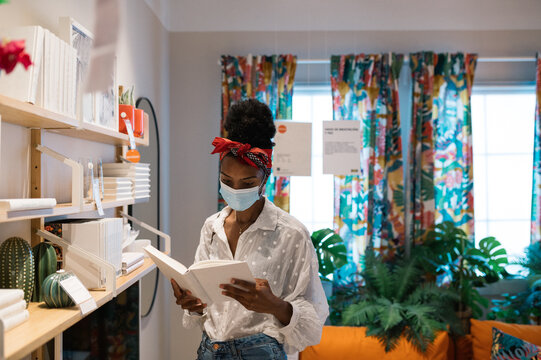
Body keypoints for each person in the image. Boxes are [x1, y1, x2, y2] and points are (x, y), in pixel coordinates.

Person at [171, 99, 329, 359]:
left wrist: (275, 305)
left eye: (247, 183)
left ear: (264, 179)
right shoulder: (212, 228)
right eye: (226, 180)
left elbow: (313, 324)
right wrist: (194, 305)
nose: (235, 190)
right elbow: (205, 306)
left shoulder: (292, 234)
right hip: (209, 351)